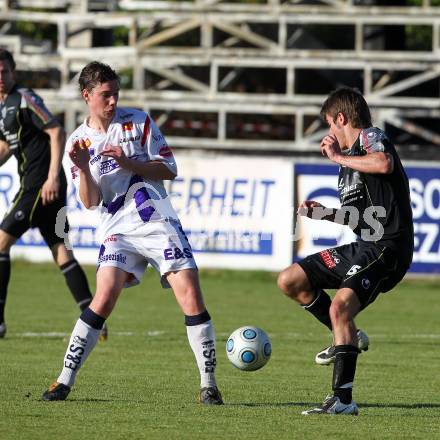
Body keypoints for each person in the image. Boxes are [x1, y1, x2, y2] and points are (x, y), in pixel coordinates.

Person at [41, 61, 223, 405]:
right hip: (116, 229)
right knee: (104, 296)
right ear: (87, 96)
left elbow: (169, 168)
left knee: (190, 297)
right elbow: (91, 201)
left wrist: (129, 163)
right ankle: (63, 381)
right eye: (105, 95)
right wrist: (82, 169)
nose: (112, 101)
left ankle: (209, 385)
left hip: (157, 222)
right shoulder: (78, 143)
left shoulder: (138, 121)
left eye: (116, 94)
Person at [277, 87, 413, 415]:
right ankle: (347, 335)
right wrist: (323, 213)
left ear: (341, 118)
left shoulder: (370, 137)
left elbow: (384, 162)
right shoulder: (350, 162)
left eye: (330, 124)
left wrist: (338, 156)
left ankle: (343, 400)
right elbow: (359, 217)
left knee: (340, 306)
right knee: (291, 279)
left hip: (388, 247)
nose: (330, 134)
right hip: (364, 245)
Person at [0, 49, 106, 340]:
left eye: (4, 72)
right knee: (62, 251)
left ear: (13, 72)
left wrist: (51, 177)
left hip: (39, 186)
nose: (1, 77)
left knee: (1, 242)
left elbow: (56, 131)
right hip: (41, 187)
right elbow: (8, 146)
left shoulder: (24, 98)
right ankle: (95, 319)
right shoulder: (3, 108)